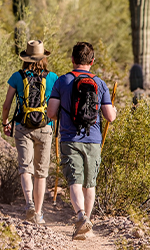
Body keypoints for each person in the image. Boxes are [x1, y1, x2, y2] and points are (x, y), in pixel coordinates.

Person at [47, 42, 117, 240]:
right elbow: (110, 116)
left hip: (70, 138)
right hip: (93, 139)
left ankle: (80, 217)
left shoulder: (62, 81)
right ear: (92, 61)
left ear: (72, 59)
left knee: (74, 181)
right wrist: (115, 111)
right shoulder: (100, 83)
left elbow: (51, 113)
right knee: (90, 183)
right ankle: (87, 224)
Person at [1, 40, 59, 224]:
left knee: (25, 167)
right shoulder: (53, 78)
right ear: (44, 58)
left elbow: (6, 105)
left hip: (22, 126)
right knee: (40, 173)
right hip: (45, 127)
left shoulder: (17, 77)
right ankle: (39, 214)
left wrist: (5, 122)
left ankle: (29, 204)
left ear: (25, 58)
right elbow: (57, 104)